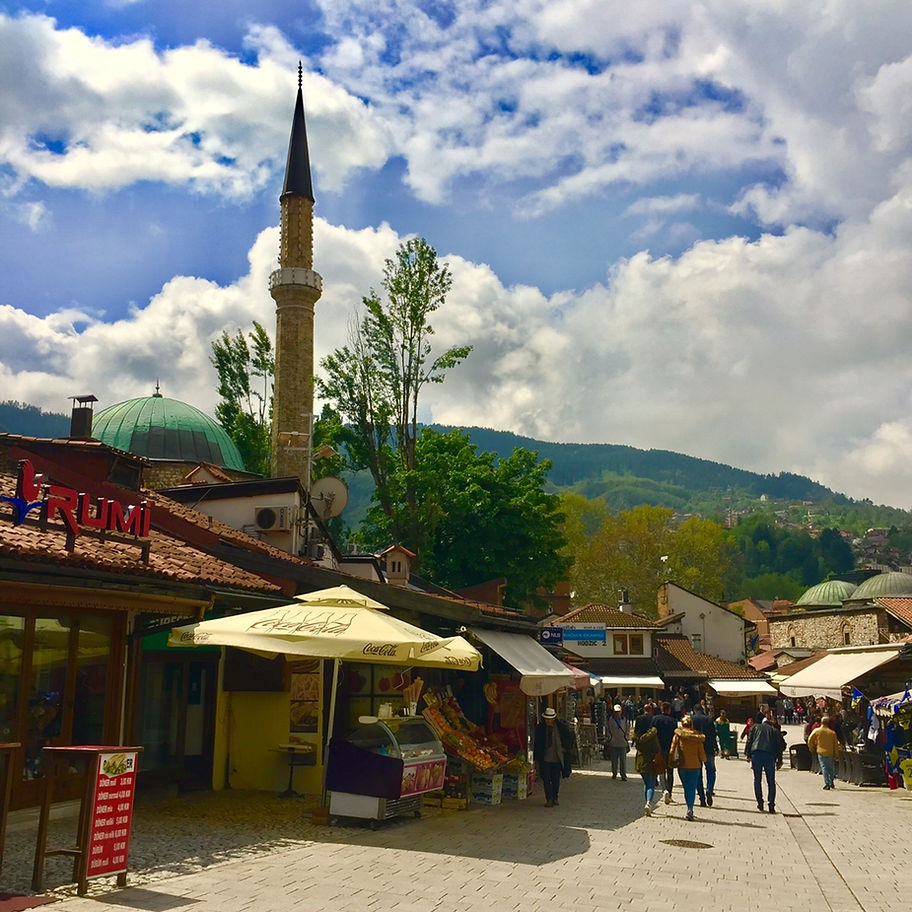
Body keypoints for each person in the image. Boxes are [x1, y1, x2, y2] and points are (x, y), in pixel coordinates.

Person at [745, 709, 786, 812]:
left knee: (757, 779)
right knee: (771, 781)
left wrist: (748, 754)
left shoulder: (754, 727)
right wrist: (779, 761)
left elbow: (749, 741)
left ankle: (760, 803)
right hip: (769, 755)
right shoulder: (774, 730)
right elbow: (779, 746)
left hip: (756, 754)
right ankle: (771, 805)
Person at [533, 707, 576, 807]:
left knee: (556, 779)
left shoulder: (561, 728)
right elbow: (537, 743)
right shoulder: (540, 728)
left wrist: (566, 750)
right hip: (545, 758)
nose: (548, 721)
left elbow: (569, 738)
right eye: (547, 719)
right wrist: (536, 758)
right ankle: (549, 799)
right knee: (546, 779)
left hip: (557, 758)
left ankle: (555, 797)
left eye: (550, 718)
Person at [669, 715, 706, 821]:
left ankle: (688, 806)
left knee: (686, 787)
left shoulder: (678, 735)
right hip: (695, 765)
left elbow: (672, 748)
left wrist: (670, 760)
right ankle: (690, 808)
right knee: (692, 787)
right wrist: (704, 760)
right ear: (691, 724)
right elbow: (701, 753)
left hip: (682, 765)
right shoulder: (697, 737)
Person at [634, 717, 663, 816]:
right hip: (651, 760)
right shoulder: (652, 736)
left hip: (641, 760)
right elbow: (656, 748)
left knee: (646, 783)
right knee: (651, 784)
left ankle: (647, 802)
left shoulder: (637, 736)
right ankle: (649, 803)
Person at [651, 701, 679, 804]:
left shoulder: (655, 719)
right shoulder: (673, 721)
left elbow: (652, 733)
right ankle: (669, 792)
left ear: (662, 708)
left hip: (658, 748)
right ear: (669, 710)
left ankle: (661, 788)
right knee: (670, 771)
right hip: (669, 748)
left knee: (658, 768)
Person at [691, 705, 718, 806]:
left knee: (698, 773)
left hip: (696, 749)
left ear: (694, 710)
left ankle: (702, 798)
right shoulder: (709, 719)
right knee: (711, 771)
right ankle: (709, 790)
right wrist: (716, 747)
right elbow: (713, 734)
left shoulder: (692, 719)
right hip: (708, 749)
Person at [808, 715, 841, 790]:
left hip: (821, 752)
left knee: (824, 768)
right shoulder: (832, 733)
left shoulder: (817, 731)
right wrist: (836, 754)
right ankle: (831, 781)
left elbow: (810, 739)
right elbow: (835, 744)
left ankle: (827, 784)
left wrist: (811, 747)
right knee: (831, 768)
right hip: (830, 752)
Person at [606, 703, 630, 780]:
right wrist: (610, 737)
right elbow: (607, 729)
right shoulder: (611, 719)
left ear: (621, 711)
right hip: (613, 742)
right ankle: (614, 773)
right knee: (614, 760)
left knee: (623, 760)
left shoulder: (624, 719)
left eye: (618, 711)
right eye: (616, 711)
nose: (617, 713)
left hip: (622, 742)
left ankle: (623, 775)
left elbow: (627, 729)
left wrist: (626, 737)